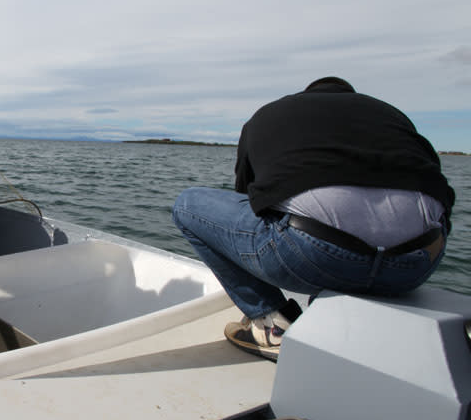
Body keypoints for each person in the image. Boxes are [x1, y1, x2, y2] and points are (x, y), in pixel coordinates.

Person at [172, 76, 455, 361]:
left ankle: (271, 324)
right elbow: (443, 197)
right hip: (412, 267)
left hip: (314, 260)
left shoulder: (270, 114)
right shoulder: (393, 117)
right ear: (354, 98)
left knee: (187, 205)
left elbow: (247, 200)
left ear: (305, 95)